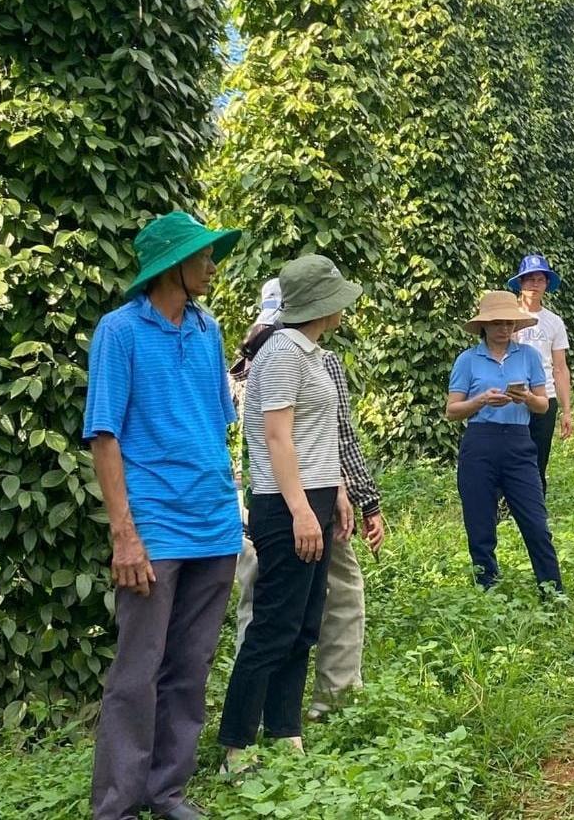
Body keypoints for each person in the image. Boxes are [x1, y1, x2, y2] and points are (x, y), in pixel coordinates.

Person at [84, 211, 244, 820]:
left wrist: (231, 505)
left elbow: (214, 427)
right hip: (156, 528)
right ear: (171, 266)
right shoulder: (119, 332)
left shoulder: (208, 331)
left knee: (191, 665)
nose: (212, 265)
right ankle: (117, 807)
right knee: (136, 672)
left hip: (214, 525)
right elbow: (105, 438)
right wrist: (125, 534)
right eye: (202, 256)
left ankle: (167, 792)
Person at [218, 255, 364, 770]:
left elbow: (315, 436)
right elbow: (276, 439)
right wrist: (302, 511)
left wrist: (338, 492)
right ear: (321, 305)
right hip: (286, 505)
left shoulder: (313, 354)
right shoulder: (281, 353)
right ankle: (237, 744)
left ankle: (286, 731)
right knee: (272, 627)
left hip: (317, 497)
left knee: (303, 625)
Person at [231, 280, 389, 719]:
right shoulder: (296, 358)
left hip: (268, 497)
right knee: (313, 604)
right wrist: (349, 499)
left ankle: (275, 717)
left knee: (265, 606)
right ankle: (326, 702)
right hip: (295, 502)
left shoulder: (246, 361)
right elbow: (317, 437)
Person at [446, 290, 564, 593]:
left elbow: (543, 405)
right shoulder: (468, 360)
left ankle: (552, 591)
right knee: (480, 523)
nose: (504, 328)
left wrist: (525, 397)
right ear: (484, 325)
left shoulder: (529, 356)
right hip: (479, 444)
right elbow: (452, 410)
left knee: (536, 522)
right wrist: (481, 401)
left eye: (509, 322)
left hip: (519, 443)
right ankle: (487, 590)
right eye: (497, 322)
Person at [508, 253, 573, 491]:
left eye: (540, 279)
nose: (534, 284)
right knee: (509, 454)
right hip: (512, 397)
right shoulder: (506, 319)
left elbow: (560, 367)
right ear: (520, 283)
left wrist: (567, 411)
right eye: (529, 279)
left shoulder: (554, 322)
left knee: (538, 458)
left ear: (546, 284)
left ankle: (534, 506)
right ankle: (504, 506)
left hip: (545, 397)